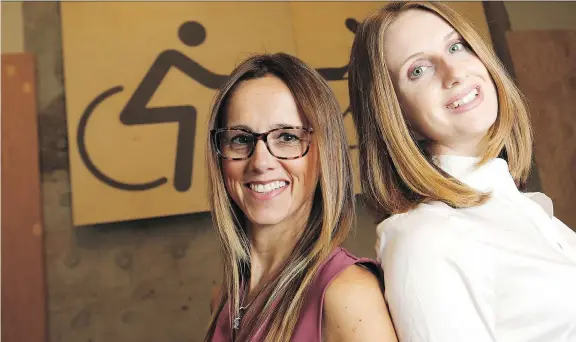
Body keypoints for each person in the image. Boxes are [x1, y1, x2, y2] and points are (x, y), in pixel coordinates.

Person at [348, 2, 576, 342]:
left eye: (457, 46)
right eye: (418, 70)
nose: (453, 72)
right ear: (397, 116)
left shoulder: (526, 208)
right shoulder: (424, 239)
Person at [203, 53, 397, 342]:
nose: (260, 162)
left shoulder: (347, 294)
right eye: (241, 139)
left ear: (325, 153)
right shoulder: (226, 299)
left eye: (287, 137)